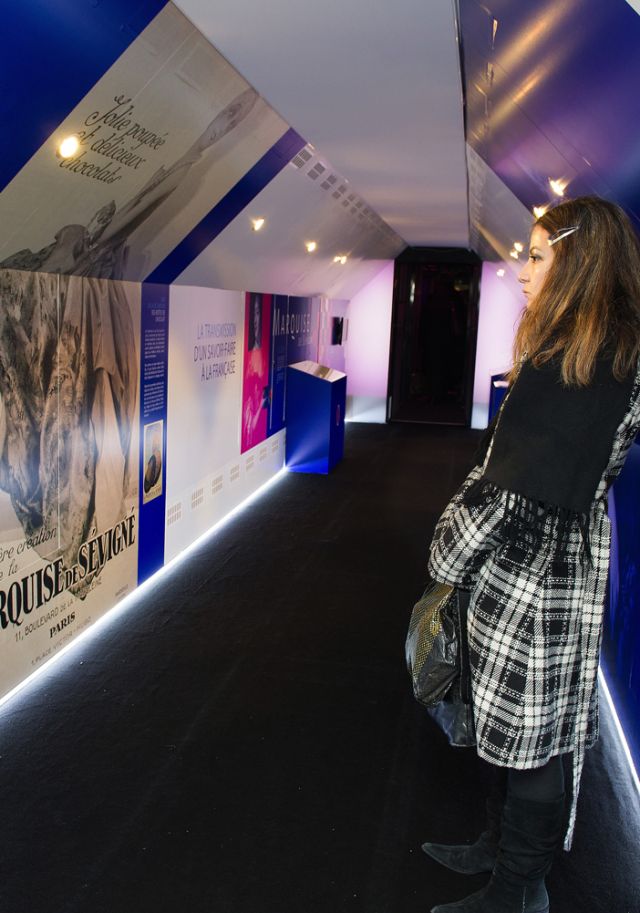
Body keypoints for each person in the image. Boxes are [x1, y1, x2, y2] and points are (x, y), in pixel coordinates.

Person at [423, 196, 640, 913]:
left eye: (538, 255)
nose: (521, 271)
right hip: (559, 561)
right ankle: (501, 849)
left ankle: (517, 890)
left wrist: (446, 555)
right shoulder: (610, 350)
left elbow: (508, 491)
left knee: (532, 735)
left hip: (531, 569)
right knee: (520, 725)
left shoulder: (581, 362)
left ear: (579, 262)